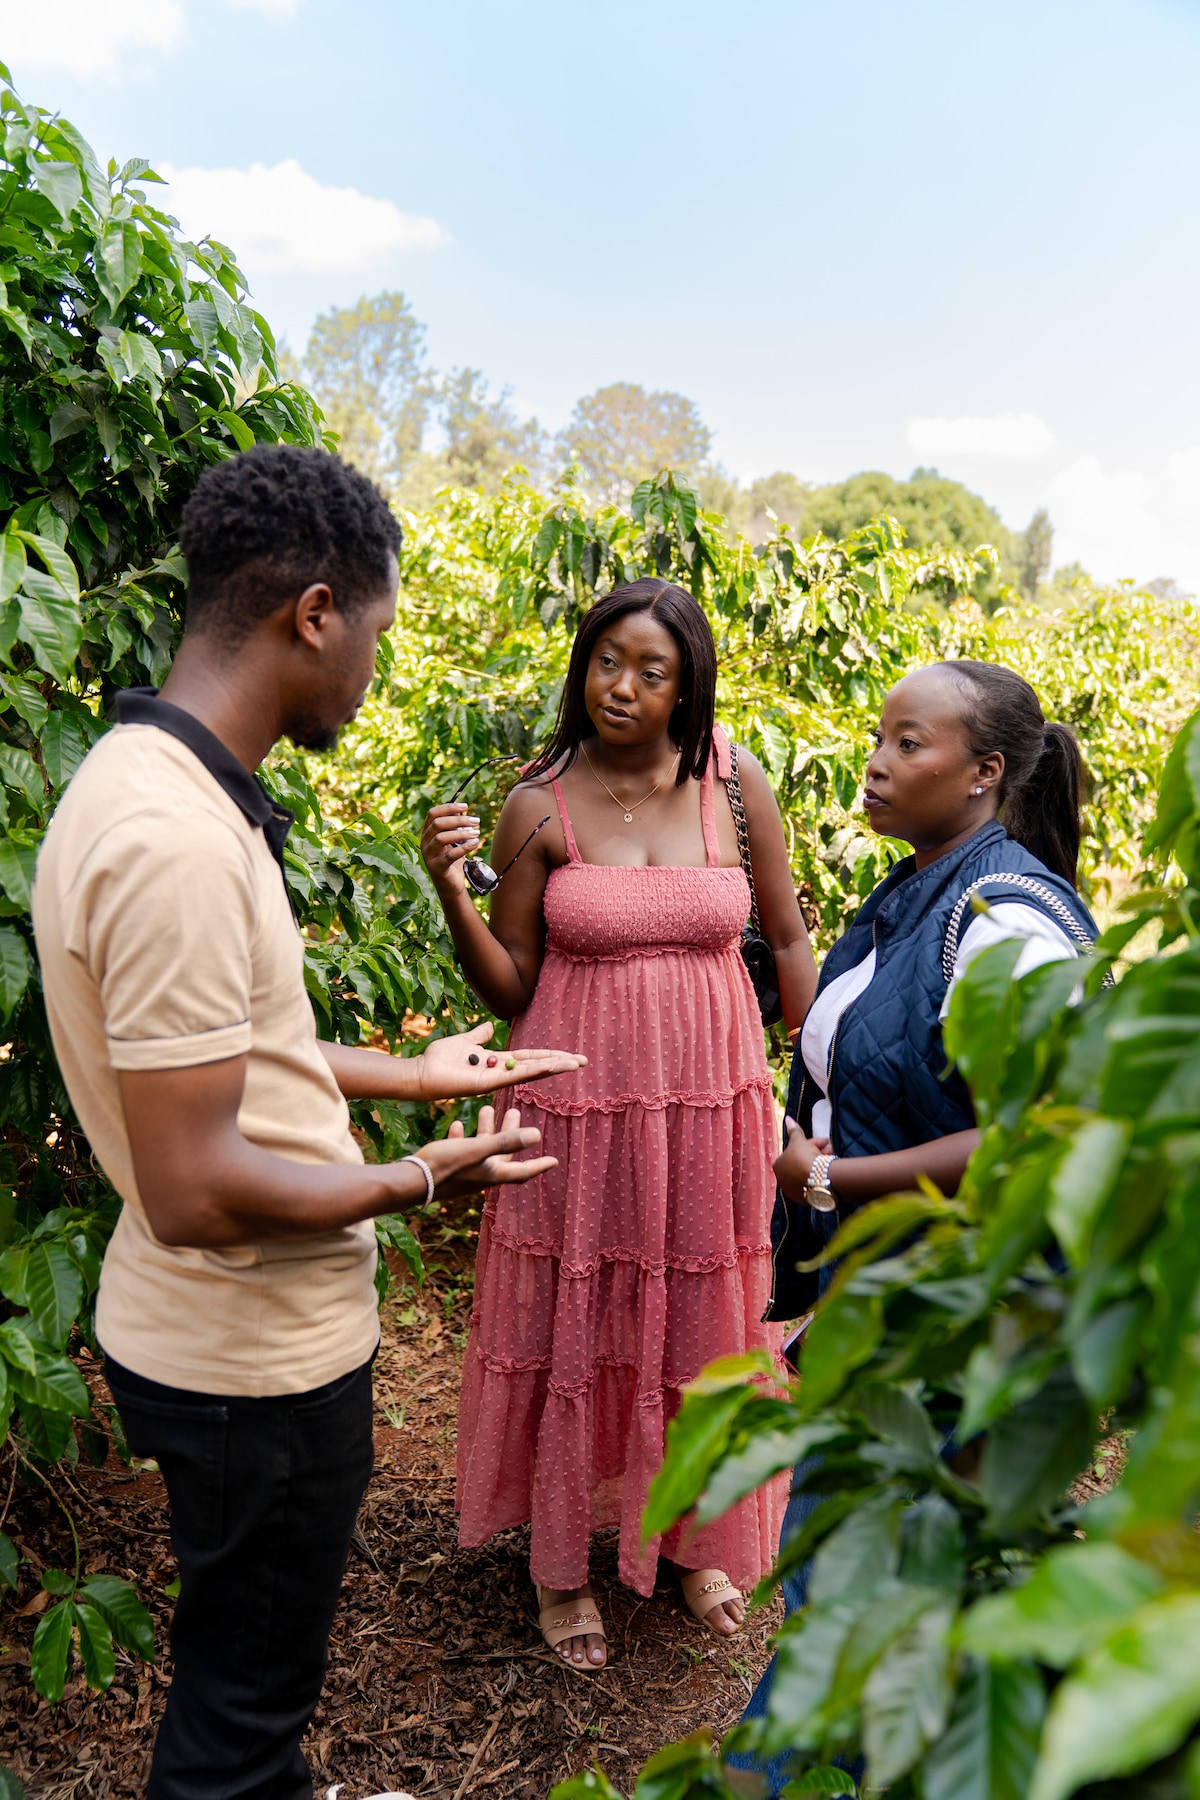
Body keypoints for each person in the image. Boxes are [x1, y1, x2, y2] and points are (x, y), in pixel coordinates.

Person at [31, 445, 585, 1800]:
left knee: (256, 1691)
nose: (369, 675)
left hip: (232, 1343)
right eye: (376, 638)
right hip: (246, 1366)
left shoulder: (156, 779)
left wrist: (413, 1077)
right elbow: (197, 1187)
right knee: (235, 1716)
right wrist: (418, 1179)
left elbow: (230, 1054)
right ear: (317, 613)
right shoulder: (172, 841)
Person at [421, 578, 817, 1671]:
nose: (622, 687)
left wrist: (802, 1079)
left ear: (689, 686)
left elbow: (785, 939)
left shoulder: (734, 783)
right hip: (576, 1102)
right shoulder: (539, 802)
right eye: (606, 661)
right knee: (576, 1316)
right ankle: (560, 1570)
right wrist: (454, 891)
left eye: (651, 670)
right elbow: (511, 985)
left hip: (710, 1101)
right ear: (580, 667)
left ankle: (696, 1541)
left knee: (704, 1312)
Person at [728, 658, 1101, 1796]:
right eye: (879, 737)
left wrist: (834, 1176)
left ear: (986, 772)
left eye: (908, 743)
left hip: (960, 1330)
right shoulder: (918, 890)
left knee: (854, 1596)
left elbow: (1043, 1135)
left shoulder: (1007, 921)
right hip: (887, 1311)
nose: (877, 762)